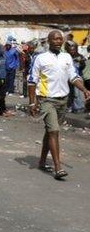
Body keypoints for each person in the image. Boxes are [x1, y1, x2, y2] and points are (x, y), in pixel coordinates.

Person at [28, 30, 90, 180]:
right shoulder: (40, 58)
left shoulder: (66, 57)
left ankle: (42, 161)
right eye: (55, 39)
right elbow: (32, 81)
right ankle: (58, 168)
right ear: (49, 41)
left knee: (50, 131)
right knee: (54, 130)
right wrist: (32, 103)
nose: (58, 41)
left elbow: (73, 77)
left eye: (60, 39)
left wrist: (84, 89)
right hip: (46, 100)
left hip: (63, 100)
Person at [65, 41, 86, 113]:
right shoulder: (65, 57)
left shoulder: (80, 56)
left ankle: (78, 108)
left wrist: (81, 62)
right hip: (67, 78)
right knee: (69, 93)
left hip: (78, 77)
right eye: (70, 50)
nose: (72, 51)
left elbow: (83, 67)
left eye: (73, 50)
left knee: (77, 93)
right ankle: (70, 106)